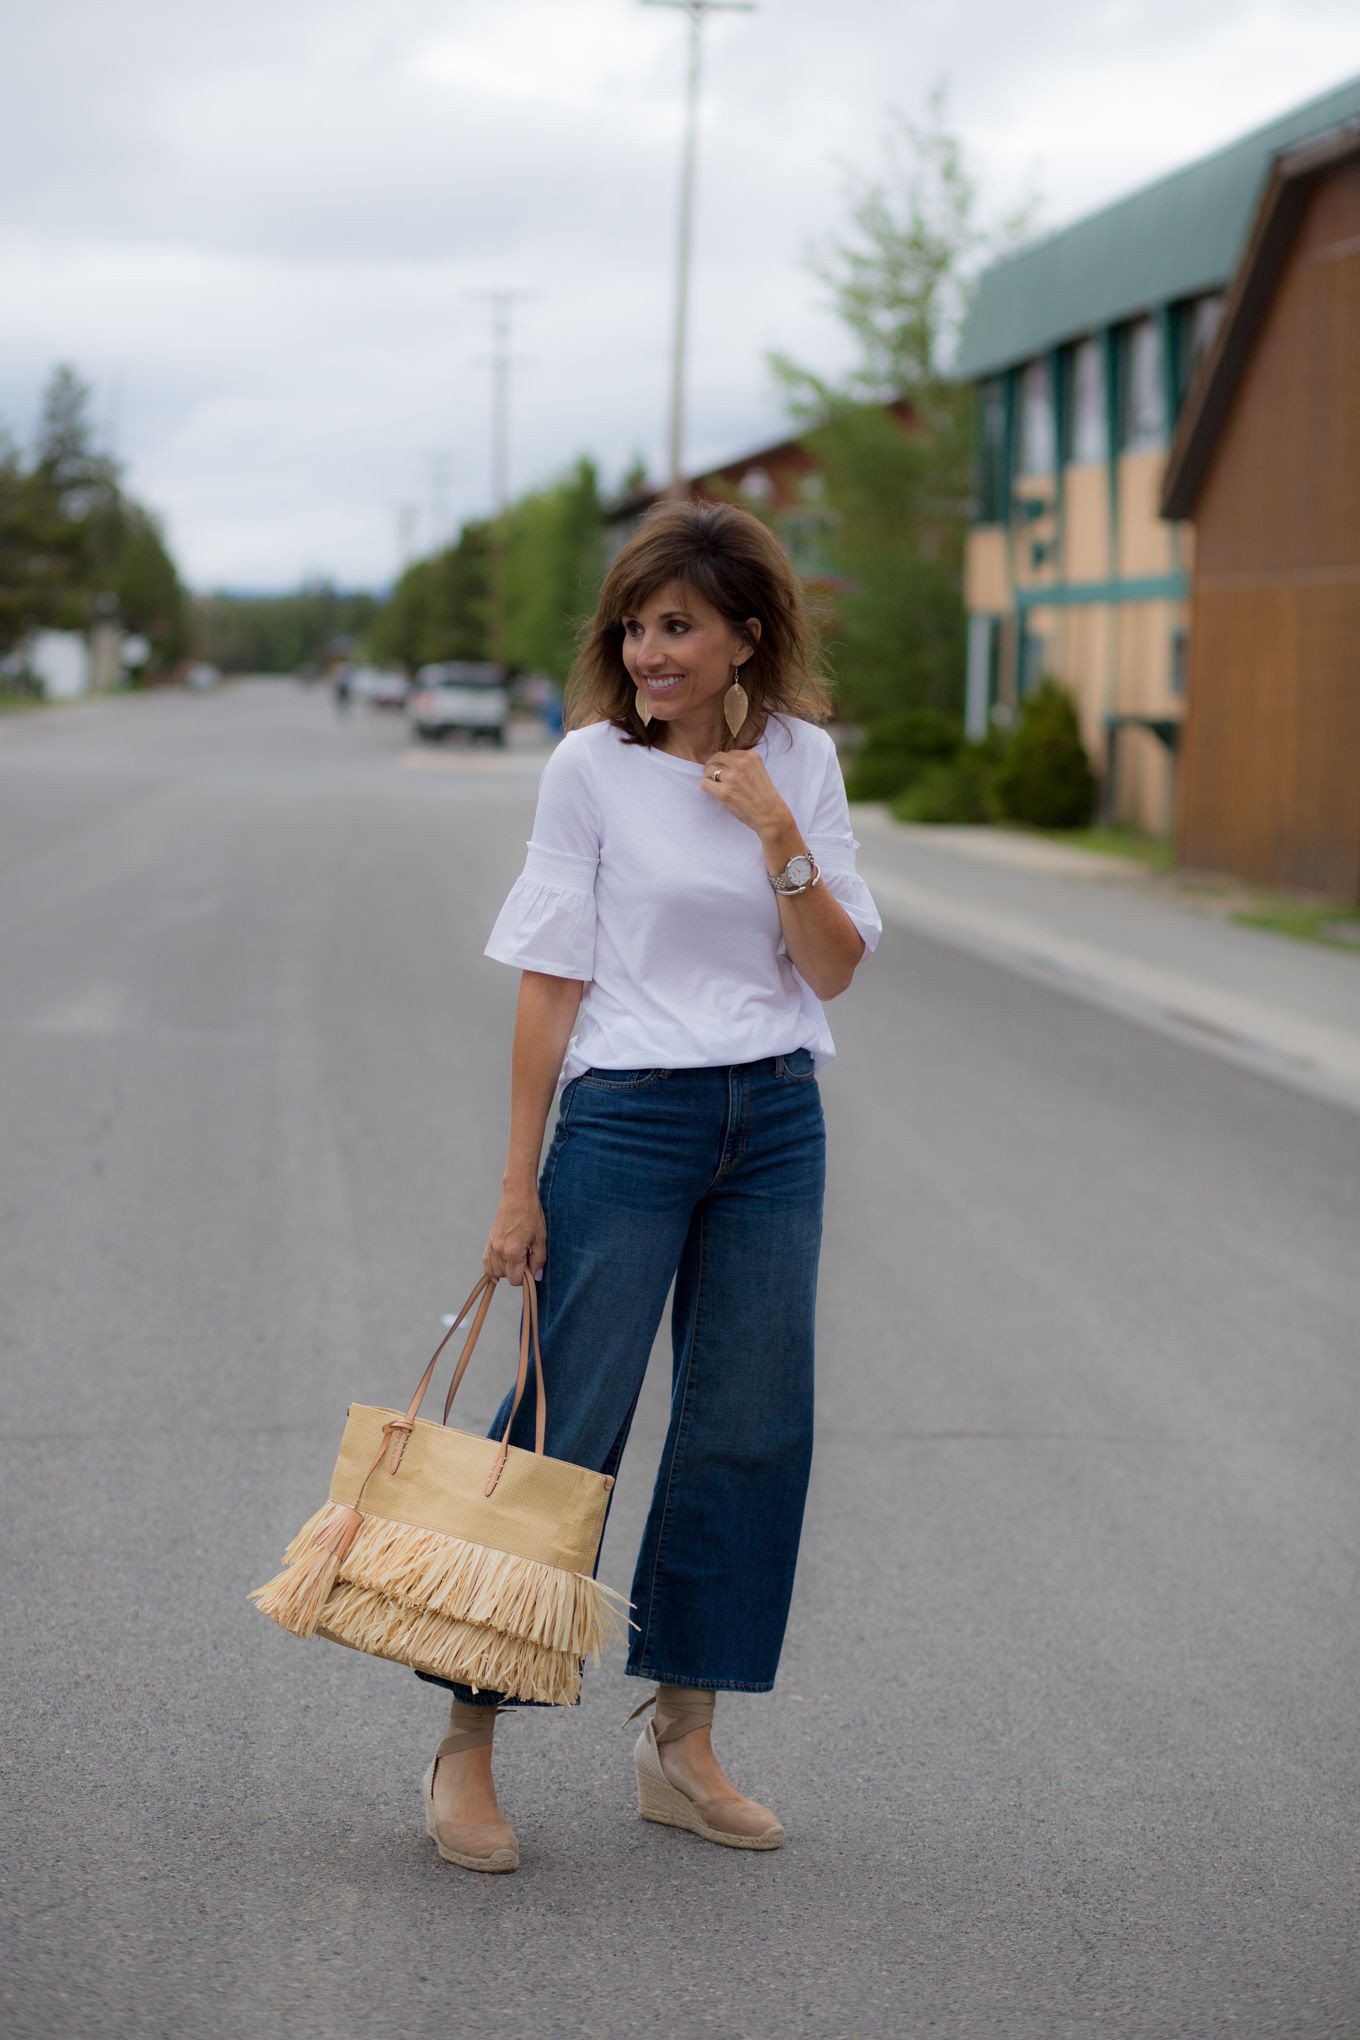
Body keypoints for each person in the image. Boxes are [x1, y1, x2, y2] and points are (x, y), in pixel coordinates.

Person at [419, 499, 882, 1873]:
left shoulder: (799, 759)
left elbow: (836, 963)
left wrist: (774, 830)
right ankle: (466, 1745)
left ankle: (681, 1744)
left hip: (776, 1127)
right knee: (567, 1429)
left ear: (749, 633)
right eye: (634, 623)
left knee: (749, 1430)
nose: (647, 650)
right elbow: (551, 983)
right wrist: (518, 1188)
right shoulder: (588, 769)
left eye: (677, 626)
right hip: (625, 1126)